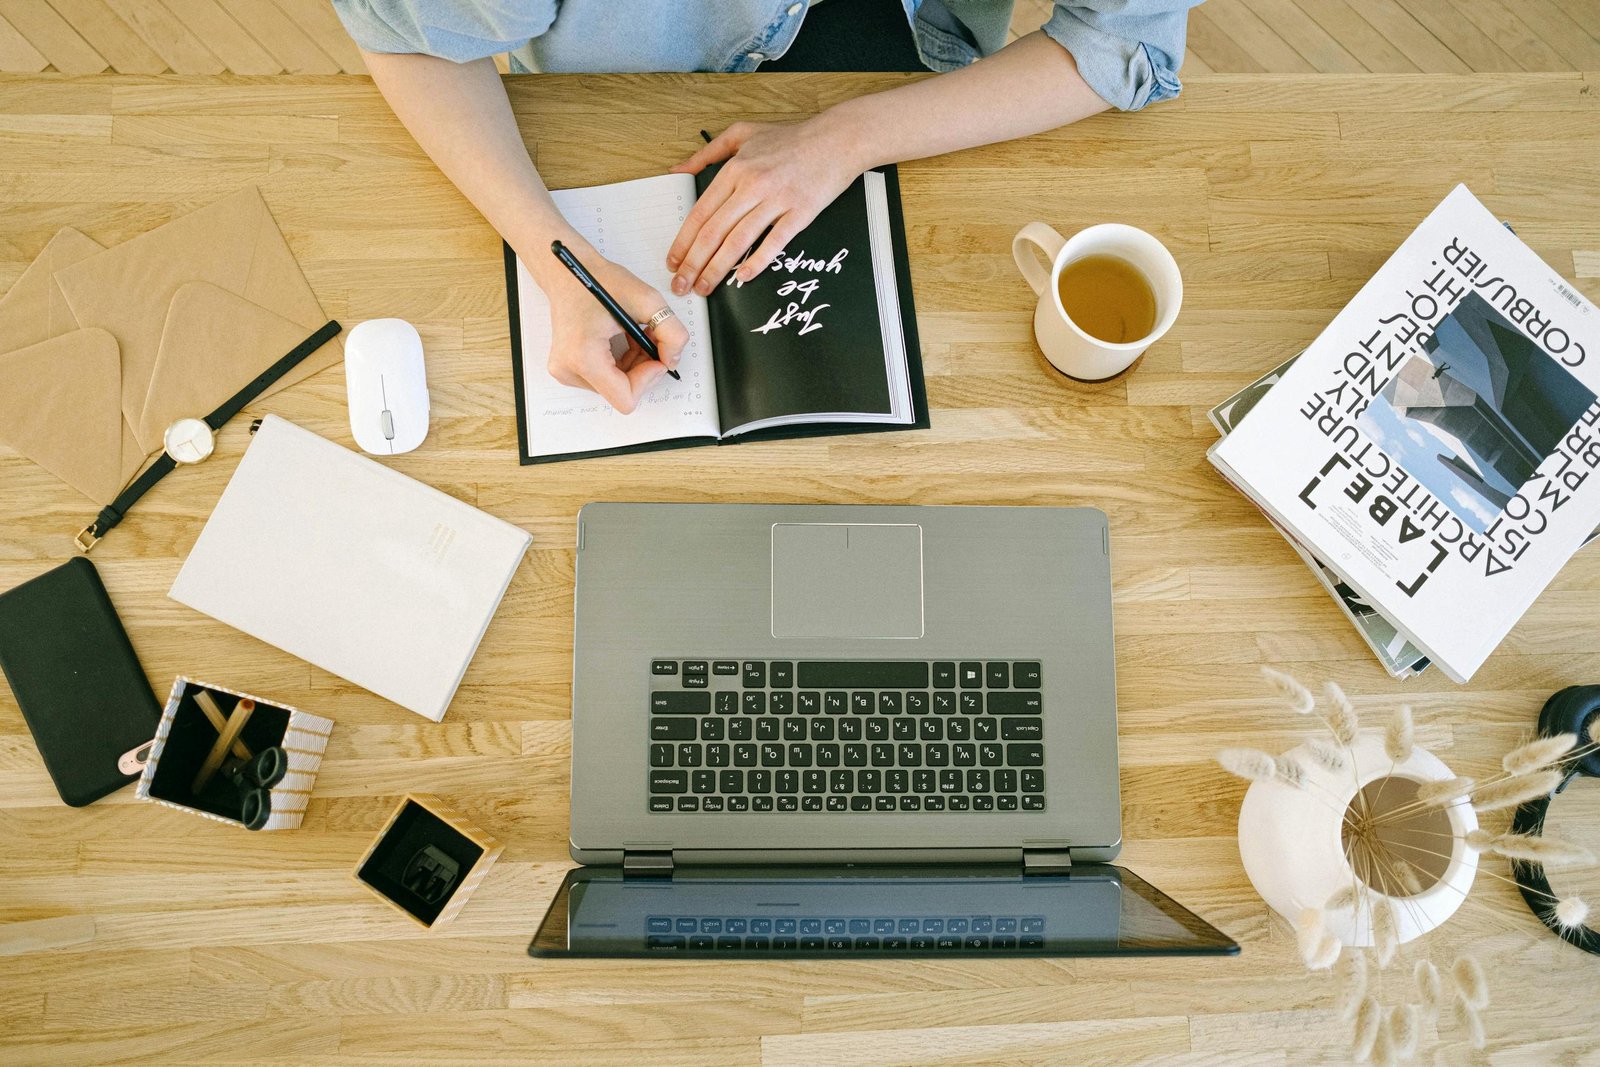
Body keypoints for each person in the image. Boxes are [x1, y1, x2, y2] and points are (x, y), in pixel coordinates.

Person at [332, 0, 1200, 412]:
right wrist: (556, 256)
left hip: (908, 63)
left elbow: (1123, 40)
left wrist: (847, 138)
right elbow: (411, 38)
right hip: (606, 93)